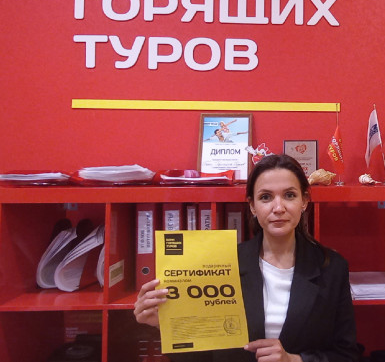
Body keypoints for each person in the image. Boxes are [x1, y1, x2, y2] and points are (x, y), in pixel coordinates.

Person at [134, 154, 360, 362]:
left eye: (289, 195)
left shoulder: (332, 267)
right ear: (252, 206)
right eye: (266, 197)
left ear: (304, 201)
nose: (278, 207)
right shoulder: (221, 265)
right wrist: (166, 325)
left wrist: (294, 360)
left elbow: (347, 354)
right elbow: (203, 356)